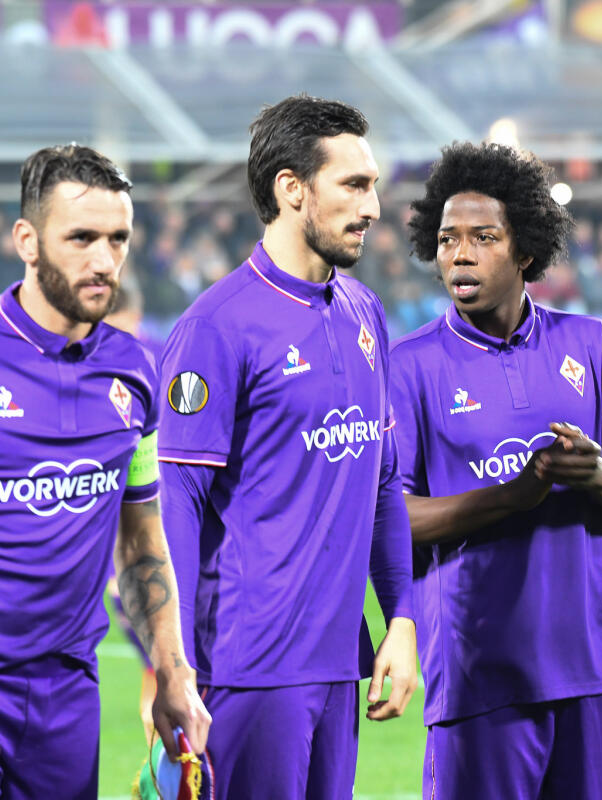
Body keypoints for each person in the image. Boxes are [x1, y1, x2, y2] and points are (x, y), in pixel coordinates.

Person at [0, 145, 208, 799]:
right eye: (81, 238)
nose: (103, 260)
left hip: (67, 698)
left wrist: (172, 670)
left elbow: (141, 534)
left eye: (117, 239)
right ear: (27, 242)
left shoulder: (136, 373)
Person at [158, 94, 416, 799]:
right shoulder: (216, 326)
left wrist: (403, 618)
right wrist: (172, 664)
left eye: (374, 186)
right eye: (355, 185)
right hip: (247, 668)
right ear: (291, 189)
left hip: (338, 664)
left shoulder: (365, 313)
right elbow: (176, 506)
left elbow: (385, 483)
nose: (374, 208)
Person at [390, 142, 602, 799]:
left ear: (525, 251)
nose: (459, 252)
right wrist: (514, 496)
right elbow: (389, 519)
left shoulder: (590, 344)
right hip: (477, 676)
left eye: (484, 237)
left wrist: (594, 474)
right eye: (448, 237)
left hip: (596, 670)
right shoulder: (409, 366)